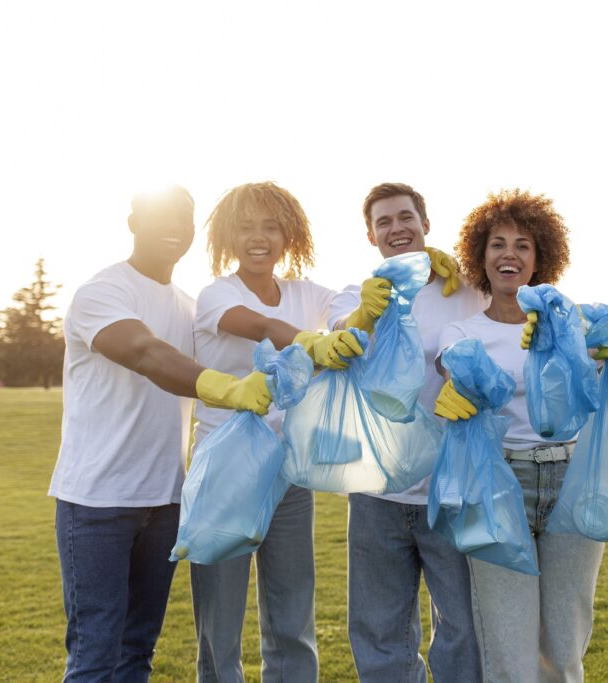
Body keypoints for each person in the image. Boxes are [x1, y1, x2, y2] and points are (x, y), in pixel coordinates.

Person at [48, 186, 273, 682]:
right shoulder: (103, 292)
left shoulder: (191, 306)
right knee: (94, 653)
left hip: (166, 501)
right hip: (97, 503)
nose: (175, 225)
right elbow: (145, 353)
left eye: (184, 218)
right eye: (160, 215)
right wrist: (225, 389)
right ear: (133, 223)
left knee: (137, 651)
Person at [190, 182, 362, 682]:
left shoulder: (307, 294)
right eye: (245, 228)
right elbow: (255, 324)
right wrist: (311, 340)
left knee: (292, 621)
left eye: (270, 226)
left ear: (289, 235)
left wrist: (352, 319)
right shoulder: (218, 293)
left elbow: (347, 309)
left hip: (289, 474)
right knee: (219, 627)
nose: (258, 238)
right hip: (225, 475)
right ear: (228, 236)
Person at [434, 189, 604, 682]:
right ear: (479, 257)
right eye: (497, 244)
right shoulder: (461, 331)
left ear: (540, 257)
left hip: (570, 482)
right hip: (498, 484)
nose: (509, 254)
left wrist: (563, 338)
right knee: (508, 649)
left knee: (563, 646)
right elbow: (455, 371)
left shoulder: (569, 324)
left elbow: (596, 376)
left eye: (523, 245)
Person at [327, 182, 485, 682]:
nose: (396, 229)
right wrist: (365, 315)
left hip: (451, 487)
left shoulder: (463, 290)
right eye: (384, 222)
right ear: (371, 235)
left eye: (405, 217)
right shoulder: (357, 295)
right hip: (377, 492)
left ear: (426, 223)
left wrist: (468, 266)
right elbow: (338, 343)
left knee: (464, 630)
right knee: (380, 632)